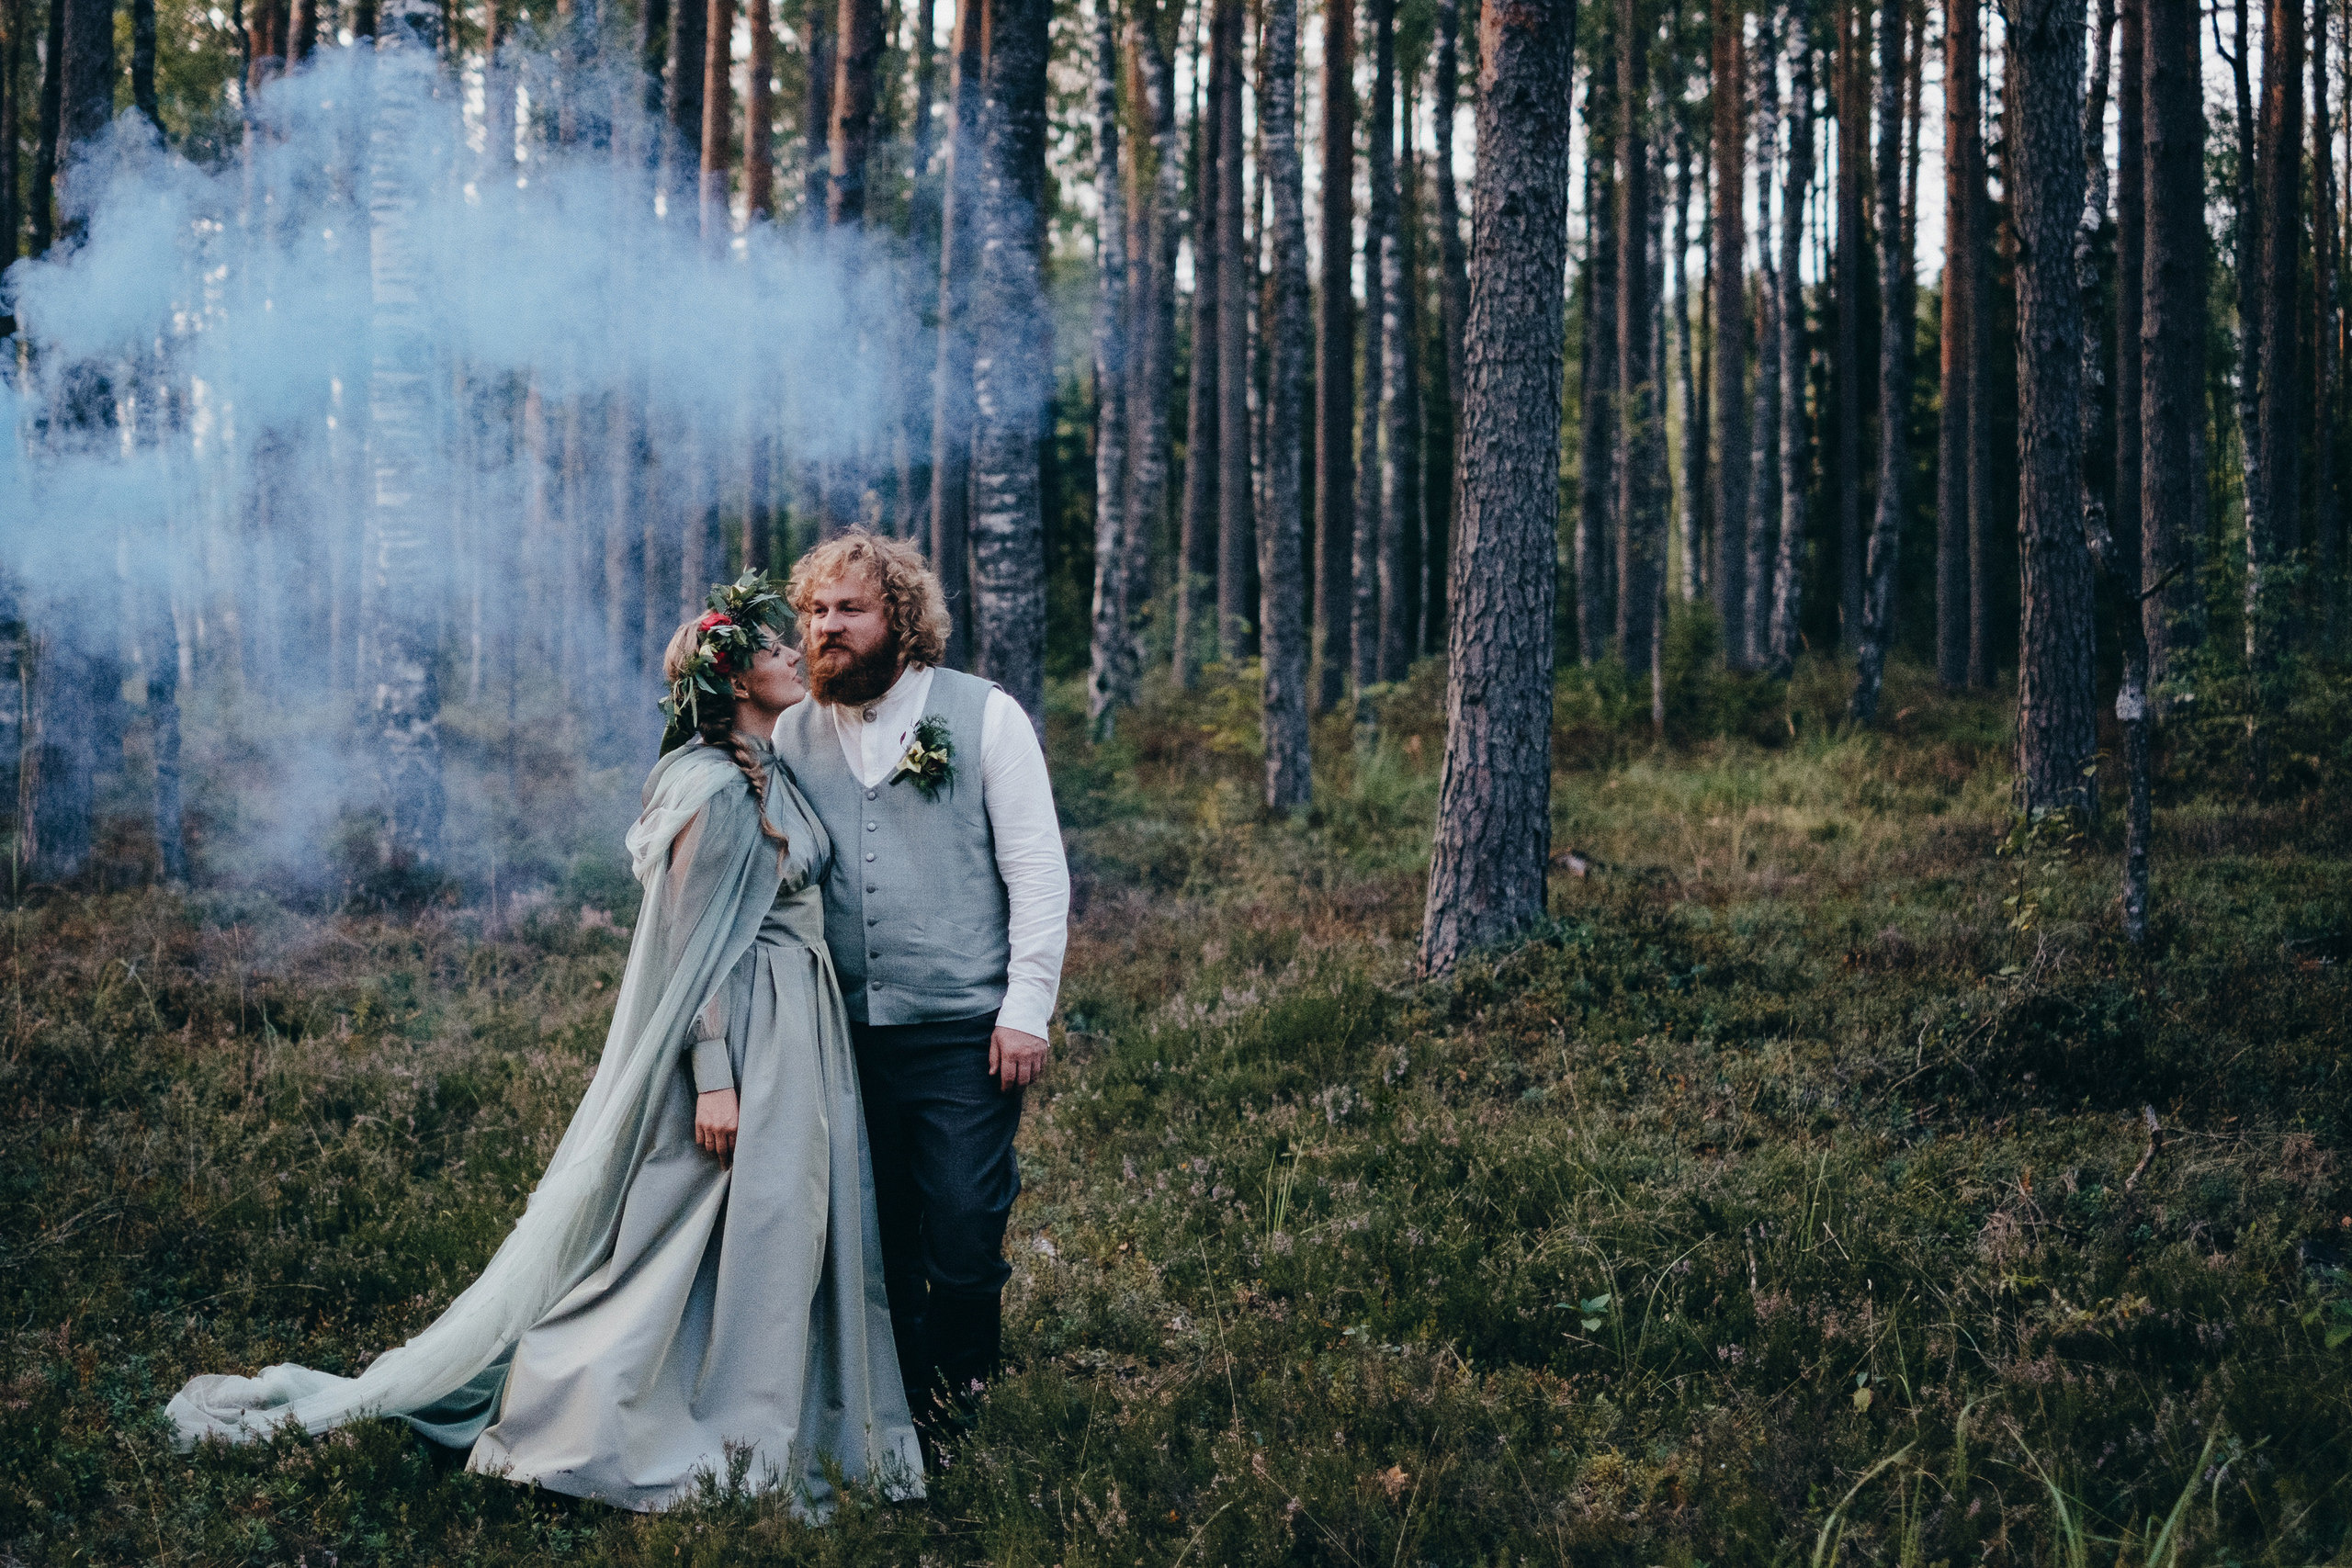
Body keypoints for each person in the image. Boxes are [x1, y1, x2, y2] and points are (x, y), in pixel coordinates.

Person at [164, 572, 920, 1515]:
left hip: (801, 1031)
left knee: (775, 1230)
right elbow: (692, 957)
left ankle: (786, 1409)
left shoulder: (772, 768)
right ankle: (604, 1412)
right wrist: (716, 1077)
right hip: (748, 1038)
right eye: (772, 653)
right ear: (732, 684)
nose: (792, 658)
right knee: (692, 1237)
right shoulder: (717, 792)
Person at [769, 530, 1070, 1434]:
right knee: (871, 1235)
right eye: (816, 611)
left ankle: (963, 1410)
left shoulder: (985, 717)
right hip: (835, 1032)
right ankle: (893, 1420)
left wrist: (1026, 1010)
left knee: (964, 1231)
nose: (827, 628)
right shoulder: (792, 731)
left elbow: (1039, 874)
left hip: (960, 1033)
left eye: (849, 610)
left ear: (901, 618)